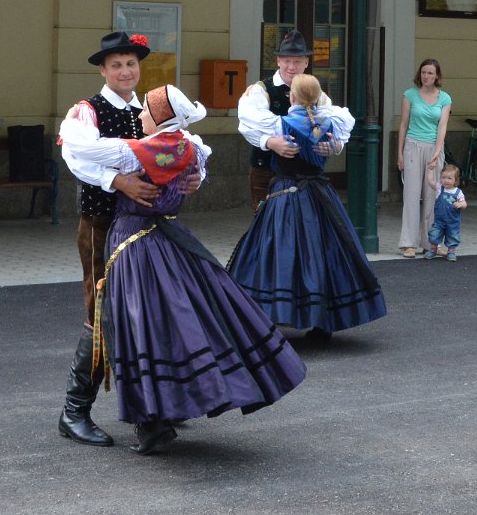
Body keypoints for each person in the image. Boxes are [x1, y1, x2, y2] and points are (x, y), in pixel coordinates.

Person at [59, 84, 307, 455]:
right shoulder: (188, 145)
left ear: (161, 118)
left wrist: (71, 125)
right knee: (171, 320)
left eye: (146, 111)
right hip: (165, 238)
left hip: (134, 242)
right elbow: (199, 158)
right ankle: (155, 412)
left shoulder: (145, 149)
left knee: (134, 325)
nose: (139, 116)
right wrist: (194, 175)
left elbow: (84, 149)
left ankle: (143, 417)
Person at [56, 31, 201, 448]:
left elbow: (187, 147)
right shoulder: (87, 111)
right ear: (102, 70)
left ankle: (156, 406)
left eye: (131, 64)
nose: (125, 71)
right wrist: (117, 180)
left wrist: (195, 177)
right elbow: (74, 156)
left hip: (150, 231)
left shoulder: (151, 111)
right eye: (116, 65)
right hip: (102, 226)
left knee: (150, 312)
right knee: (102, 314)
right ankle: (74, 411)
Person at [228, 74, 387, 343]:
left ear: (292, 97)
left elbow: (249, 122)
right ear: (319, 98)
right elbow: (339, 131)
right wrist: (336, 145)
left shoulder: (280, 124)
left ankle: (269, 316)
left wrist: (269, 141)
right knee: (324, 251)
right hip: (320, 195)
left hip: (286, 195)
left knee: (277, 252)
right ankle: (322, 320)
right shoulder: (331, 122)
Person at [239, 30, 331, 208]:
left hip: (307, 173)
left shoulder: (317, 93)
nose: (291, 67)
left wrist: (334, 144)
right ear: (278, 61)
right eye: (287, 60)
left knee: (305, 220)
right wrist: (270, 142)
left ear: (306, 62)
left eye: (297, 61)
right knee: (268, 221)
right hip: (266, 170)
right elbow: (246, 126)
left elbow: (330, 123)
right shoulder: (261, 90)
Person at [397, 58, 452, 258]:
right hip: (413, 146)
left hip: (434, 149)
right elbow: (403, 124)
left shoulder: (445, 98)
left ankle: (431, 243)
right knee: (411, 196)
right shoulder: (410, 95)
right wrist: (400, 153)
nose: (426, 76)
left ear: (437, 76)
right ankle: (408, 243)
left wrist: (438, 151)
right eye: (423, 72)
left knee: (433, 197)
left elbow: (442, 125)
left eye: (430, 73)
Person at [424, 164, 466, 262]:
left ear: (456, 180)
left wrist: (460, 204)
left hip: (452, 221)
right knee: (434, 234)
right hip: (439, 221)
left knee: (453, 236)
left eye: (449, 178)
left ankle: (451, 252)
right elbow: (430, 181)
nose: (446, 180)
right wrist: (430, 170)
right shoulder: (440, 188)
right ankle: (433, 250)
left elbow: (465, 203)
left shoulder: (458, 192)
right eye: (443, 177)